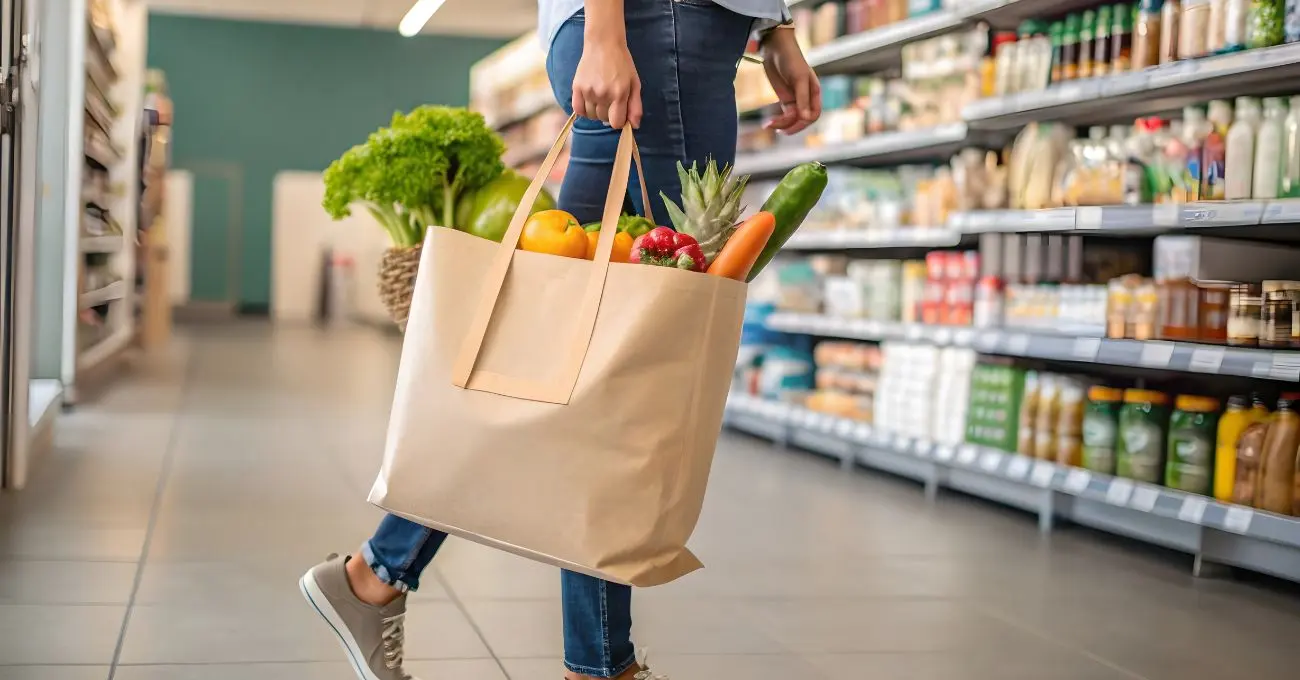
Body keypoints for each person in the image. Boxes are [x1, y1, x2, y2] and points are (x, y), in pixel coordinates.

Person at [299, 1, 821, 678]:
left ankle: (378, 576)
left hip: (683, 30)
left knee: (580, 344)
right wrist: (607, 30)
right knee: (624, 352)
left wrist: (772, 25)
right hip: (655, 24)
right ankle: (594, 663)